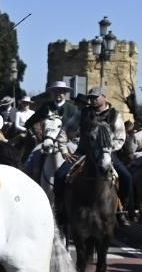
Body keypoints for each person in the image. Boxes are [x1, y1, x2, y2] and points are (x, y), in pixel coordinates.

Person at [56, 87, 133, 219]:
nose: (92, 100)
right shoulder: (82, 113)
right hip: (83, 152)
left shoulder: (115, 115)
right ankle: (61, 209)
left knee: (127, 177)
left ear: (104, 97)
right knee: (60, 175)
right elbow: (65, 130)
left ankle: (122, 209)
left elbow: (120, 138)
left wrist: (106, 149)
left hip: (106, 153)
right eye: (90, 97)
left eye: (95, 97)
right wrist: (63, 150)